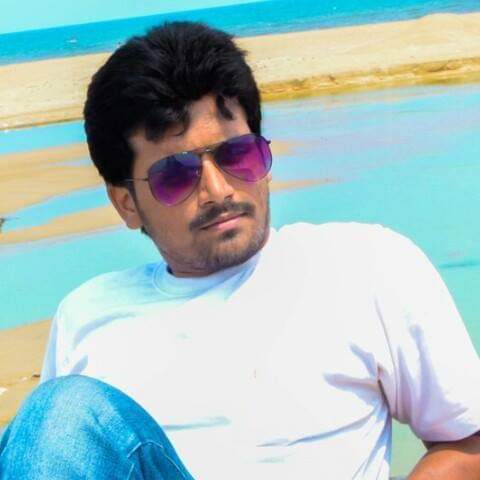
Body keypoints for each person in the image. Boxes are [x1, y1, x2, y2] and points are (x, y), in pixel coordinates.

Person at [1, 21, 479, 480]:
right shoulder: (87, 315)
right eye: (176, 175)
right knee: (60, 414)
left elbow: (468, 442)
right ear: (126, 203)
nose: (218, 190)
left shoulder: (363, 265)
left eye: (237, 155)